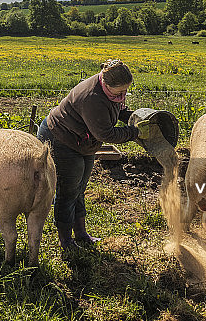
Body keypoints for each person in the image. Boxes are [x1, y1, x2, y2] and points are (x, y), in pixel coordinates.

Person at [37, 59, 141, 251]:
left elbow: (117, 109)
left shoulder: (108, 91)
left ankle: (82, 235)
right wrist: (135, 133)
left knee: (79, 188)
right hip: (61, 139)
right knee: (68, 191)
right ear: (106, 84)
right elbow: (106, 134)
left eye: (126, 91)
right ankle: (66, 241)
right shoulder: (92, 98)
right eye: (120, 92)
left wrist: (132, 117)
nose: (123, 96)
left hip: (82, 141)